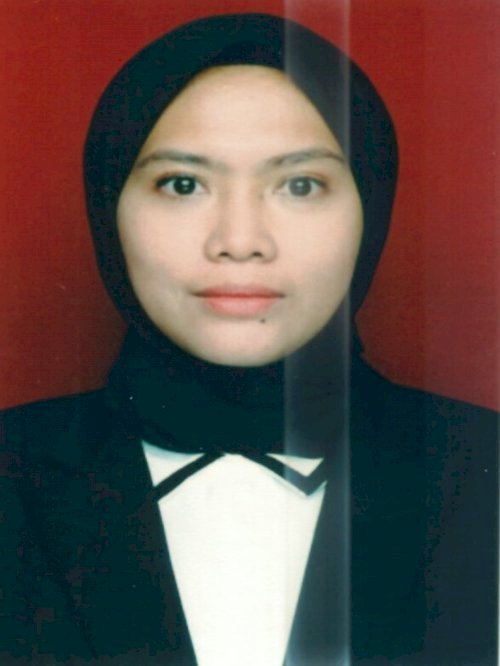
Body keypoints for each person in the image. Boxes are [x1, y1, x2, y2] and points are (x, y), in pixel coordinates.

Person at [0, 12, 497, 666]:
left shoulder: (483, 471)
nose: (239, 241)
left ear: (370, 209)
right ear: (109, 205)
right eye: (183, 184)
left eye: (300, 185)